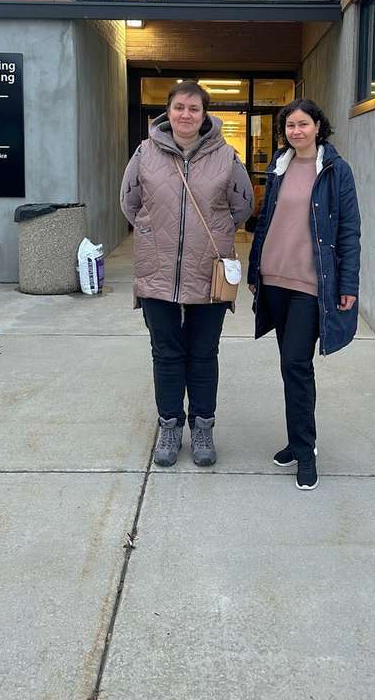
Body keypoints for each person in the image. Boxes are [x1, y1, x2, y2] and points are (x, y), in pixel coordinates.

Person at [120, 81, 254, 468]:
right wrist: (150, 231)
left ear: (205, 114)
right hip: (156, 269)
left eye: (194, 109)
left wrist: (213, 232)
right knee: (165, 353)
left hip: (208, 270)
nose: (186, 115)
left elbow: (242, 206)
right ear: (168, 111)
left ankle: (202, 426)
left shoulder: (226, 156)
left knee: (202, 353)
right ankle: (169, 424)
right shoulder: (145, 152)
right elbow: (129, 202)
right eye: (179, 107)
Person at [247, 98, 361, 490]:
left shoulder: (335, 171)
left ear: (318, 126)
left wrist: (348, 285)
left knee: (297, 363)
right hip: (274, 280)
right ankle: (297, 443)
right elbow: (265, 222)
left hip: (310, 286)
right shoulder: (278, 168)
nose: (296, 132)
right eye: (290, 126)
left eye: (303, 124)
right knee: (288, 365)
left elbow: (349, 232)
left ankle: (305, 450)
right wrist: (253, 270)